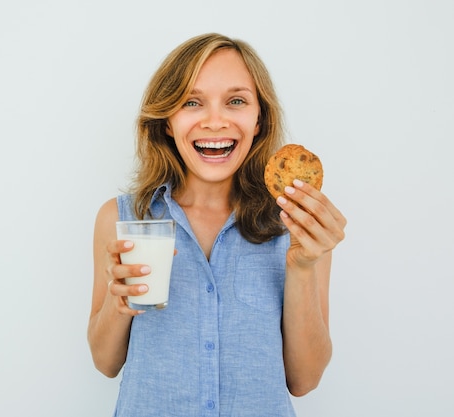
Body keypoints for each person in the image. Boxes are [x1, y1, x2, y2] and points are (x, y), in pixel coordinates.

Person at [87, 32, 346, 417]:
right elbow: (105, 363)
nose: (215, 121)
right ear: (167, 122)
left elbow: (304, 379)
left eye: (236, 101)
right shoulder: (123, 218)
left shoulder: (298, 225)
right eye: (192, 102)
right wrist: (118, 301)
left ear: (259, 120)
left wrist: (304, 265)